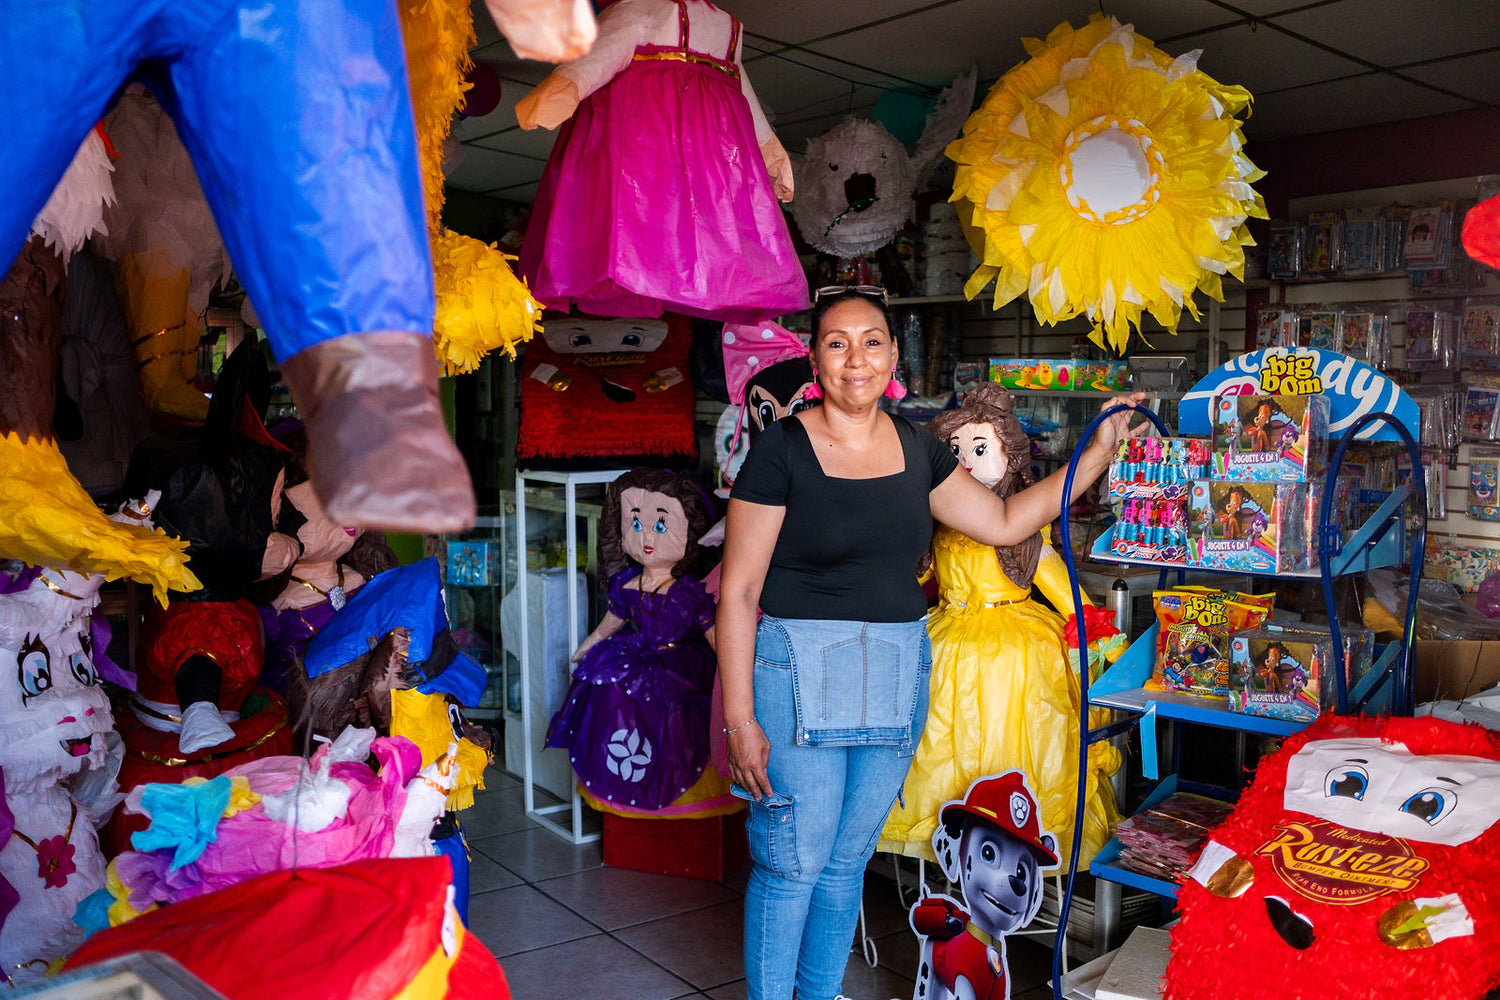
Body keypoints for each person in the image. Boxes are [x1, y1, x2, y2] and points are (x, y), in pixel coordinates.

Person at [716, 285, 1141, 1000]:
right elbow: (738, 594)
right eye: (838, 343)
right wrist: (739, 720)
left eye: (872, 342)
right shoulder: (781, 450)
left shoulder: (918, 448)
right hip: (795, 675)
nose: (856, 359)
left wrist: (1095, 454)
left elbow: (1005, 522)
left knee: (845, 865)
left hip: (894, 673)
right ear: (816, 359)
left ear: (893, 358)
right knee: (792, 865)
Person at [877, 382, 1121, 873]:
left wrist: (1099, 636)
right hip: (947, 641)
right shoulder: (939, 524)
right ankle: (955, 854)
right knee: (943, 743)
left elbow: (1062, 588)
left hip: (1015, 653)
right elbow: (907, 578)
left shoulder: (1025, 527)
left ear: (1009, 456)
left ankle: (1006, 854)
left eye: (979, 448)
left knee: (1017, 741)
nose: (965, 461)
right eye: (954, 451)